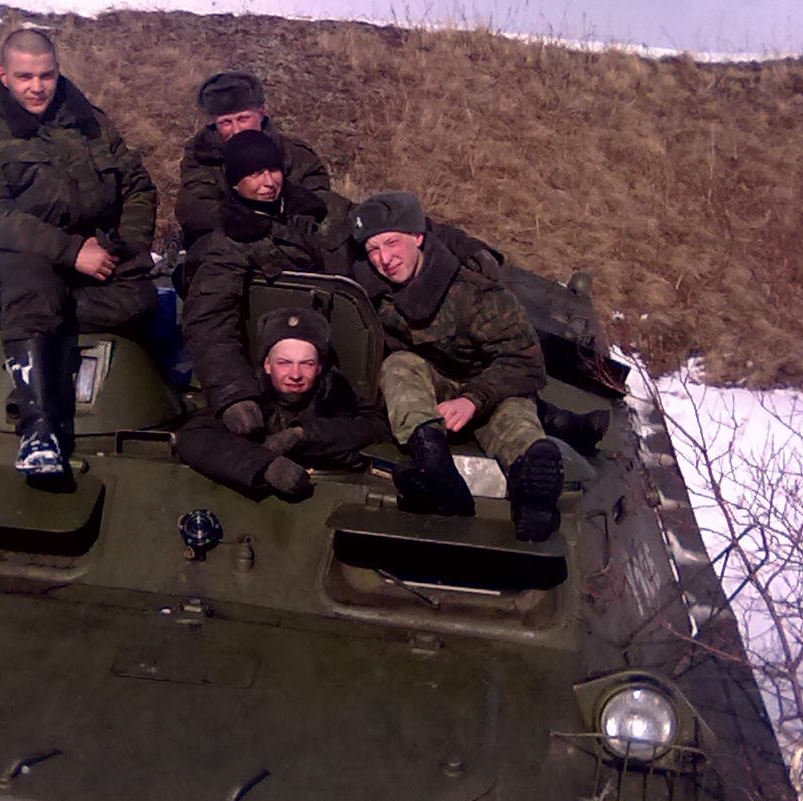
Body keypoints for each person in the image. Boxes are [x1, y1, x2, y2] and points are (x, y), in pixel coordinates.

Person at [0, 27, 157, 478]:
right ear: (3, 75)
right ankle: (39, 431)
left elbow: (138, 186)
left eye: (46, 75)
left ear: (57, 71)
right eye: (25, 77)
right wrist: (70, 251)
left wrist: (119, 245)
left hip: (88, 252)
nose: (37, 87)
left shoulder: (90, 122)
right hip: (7, 253)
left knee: (140, 300)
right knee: (35, 286)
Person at [347, 191, 564, 541]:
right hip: (432, 384)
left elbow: (525, 362)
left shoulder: (476, 292)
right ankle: (433, 463)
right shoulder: (371, 293)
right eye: (373, 250)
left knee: (515, 417)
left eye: (392, 243)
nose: (384, 259)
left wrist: (473, 399)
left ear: (417, 237)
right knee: (398, 366)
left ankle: (532, 490)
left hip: (490, 384)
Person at [182, 128, 351, 422]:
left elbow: (375, 228)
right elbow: (210, 322)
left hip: (338, 359)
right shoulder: (228, 242)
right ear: (235, 184)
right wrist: (234, 393)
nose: (269, 182)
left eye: (273, 170)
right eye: (255, 174)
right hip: (271, 375)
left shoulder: (316, 211)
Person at [176, 307, 387, 498]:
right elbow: (193, 436)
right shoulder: (250, 399)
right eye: (284, 363)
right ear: (267, 365)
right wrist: (267, 467)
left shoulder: (337, 395)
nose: (295, 374)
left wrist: (302, 435)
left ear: (319, 367)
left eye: (307, 363)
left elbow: (375, 427)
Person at [176, 70, 331, 259]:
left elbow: (322, 200)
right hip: (227, 250)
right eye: (225, 122)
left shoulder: (294, 153)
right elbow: (194, 209)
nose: (236, 130)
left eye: (243, 119)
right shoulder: (201, 157)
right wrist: (238, 220)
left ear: (261, 113)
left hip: (294, 248)